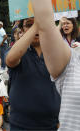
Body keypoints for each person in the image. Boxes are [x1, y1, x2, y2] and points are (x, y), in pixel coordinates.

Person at [30, 0, 80, 130]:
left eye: (68, 23)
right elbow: (46, 26)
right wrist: (57, 25)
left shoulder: (78, 41)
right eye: (63, 24)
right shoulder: (71, 61)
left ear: (74, 26)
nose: (65, 26)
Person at [5, 17, 61, 130]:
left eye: (41, 25)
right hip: (21, 126)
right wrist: (37, 24)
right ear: (22, 30)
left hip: (51, 125)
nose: (36, 29)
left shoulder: (56, 53)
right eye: (29, 25)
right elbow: (10, 60)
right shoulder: (18, 52)